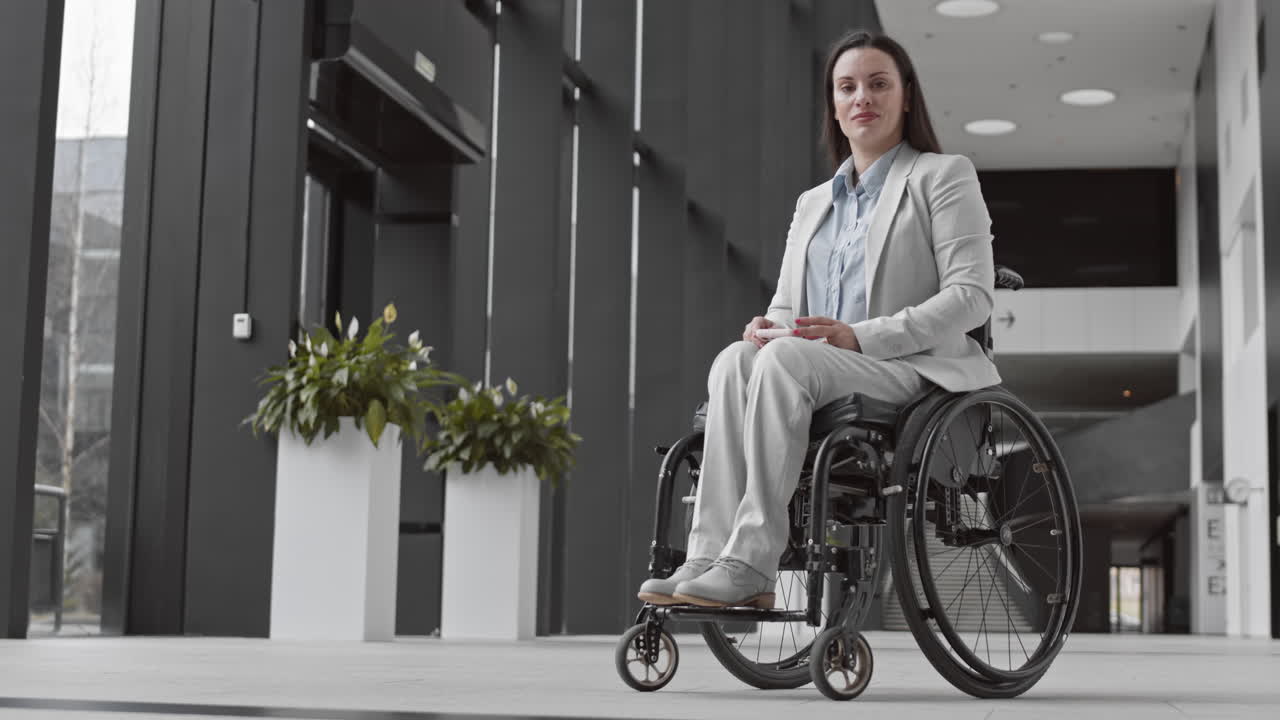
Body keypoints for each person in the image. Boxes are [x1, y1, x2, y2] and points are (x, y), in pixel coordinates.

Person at [637, 30, 1002, 609]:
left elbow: (971, 297)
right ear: (833, 104)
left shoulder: (942, 175)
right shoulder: (813, 203)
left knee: (783, 360)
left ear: (907, 95)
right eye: (847, 87)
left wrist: (860, 336)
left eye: (878, 84)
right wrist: (768, 326)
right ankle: (707, 555)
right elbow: (789, 307)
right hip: (817, 366)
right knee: (736, 360)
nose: (862, 98)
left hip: (911, 371)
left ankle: (752, 562)